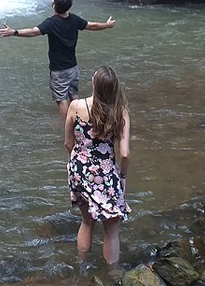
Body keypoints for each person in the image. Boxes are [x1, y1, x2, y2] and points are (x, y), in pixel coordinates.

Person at [0, 0, 116, 119]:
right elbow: (92, 26)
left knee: (61, 99)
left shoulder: (51, 22)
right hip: (73, 68)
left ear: (54, 6)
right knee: (73, 95)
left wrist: (14, 32)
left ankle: (67, 126)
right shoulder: (74, 19)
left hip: (59, 70)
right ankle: (83, 119)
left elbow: (33, 32)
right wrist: (107, 25)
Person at [64, 66, 131, 268]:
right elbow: (125, 153)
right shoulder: (120, 112)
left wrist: (81, 163)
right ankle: (111, 275)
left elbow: (68, 143)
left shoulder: (75, 106)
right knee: (111, 229)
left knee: (86, 221)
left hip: (78, 169)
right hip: (105, 173)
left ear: (95, 84)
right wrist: (123, 177)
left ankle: (82, 266)